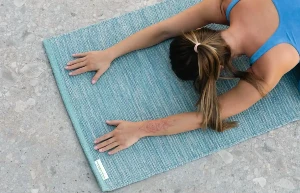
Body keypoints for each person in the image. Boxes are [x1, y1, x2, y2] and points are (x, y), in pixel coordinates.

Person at [64, 0, 300, 155]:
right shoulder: (230, 3)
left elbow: (208, 114)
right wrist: (109, 53)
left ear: (217, 73)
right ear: (200, 33)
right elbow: (165, 29)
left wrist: (142, 129)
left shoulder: (269, 66)